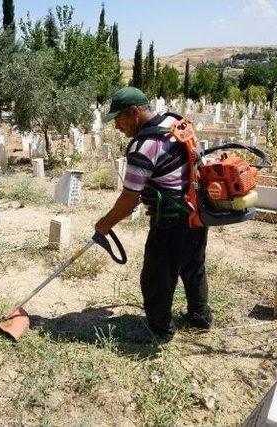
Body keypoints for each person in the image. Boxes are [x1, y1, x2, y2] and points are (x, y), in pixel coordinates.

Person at [95, 87, 212, 340]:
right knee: (194, 268)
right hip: (196, 214)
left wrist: (104, 224)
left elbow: (128, 199)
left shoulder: (143, 146)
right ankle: (200, 318)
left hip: (170, 223)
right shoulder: (173, 121)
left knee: (155, 280)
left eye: (118, 119)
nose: (116, 126)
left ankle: (160, 330)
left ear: (134, 112)